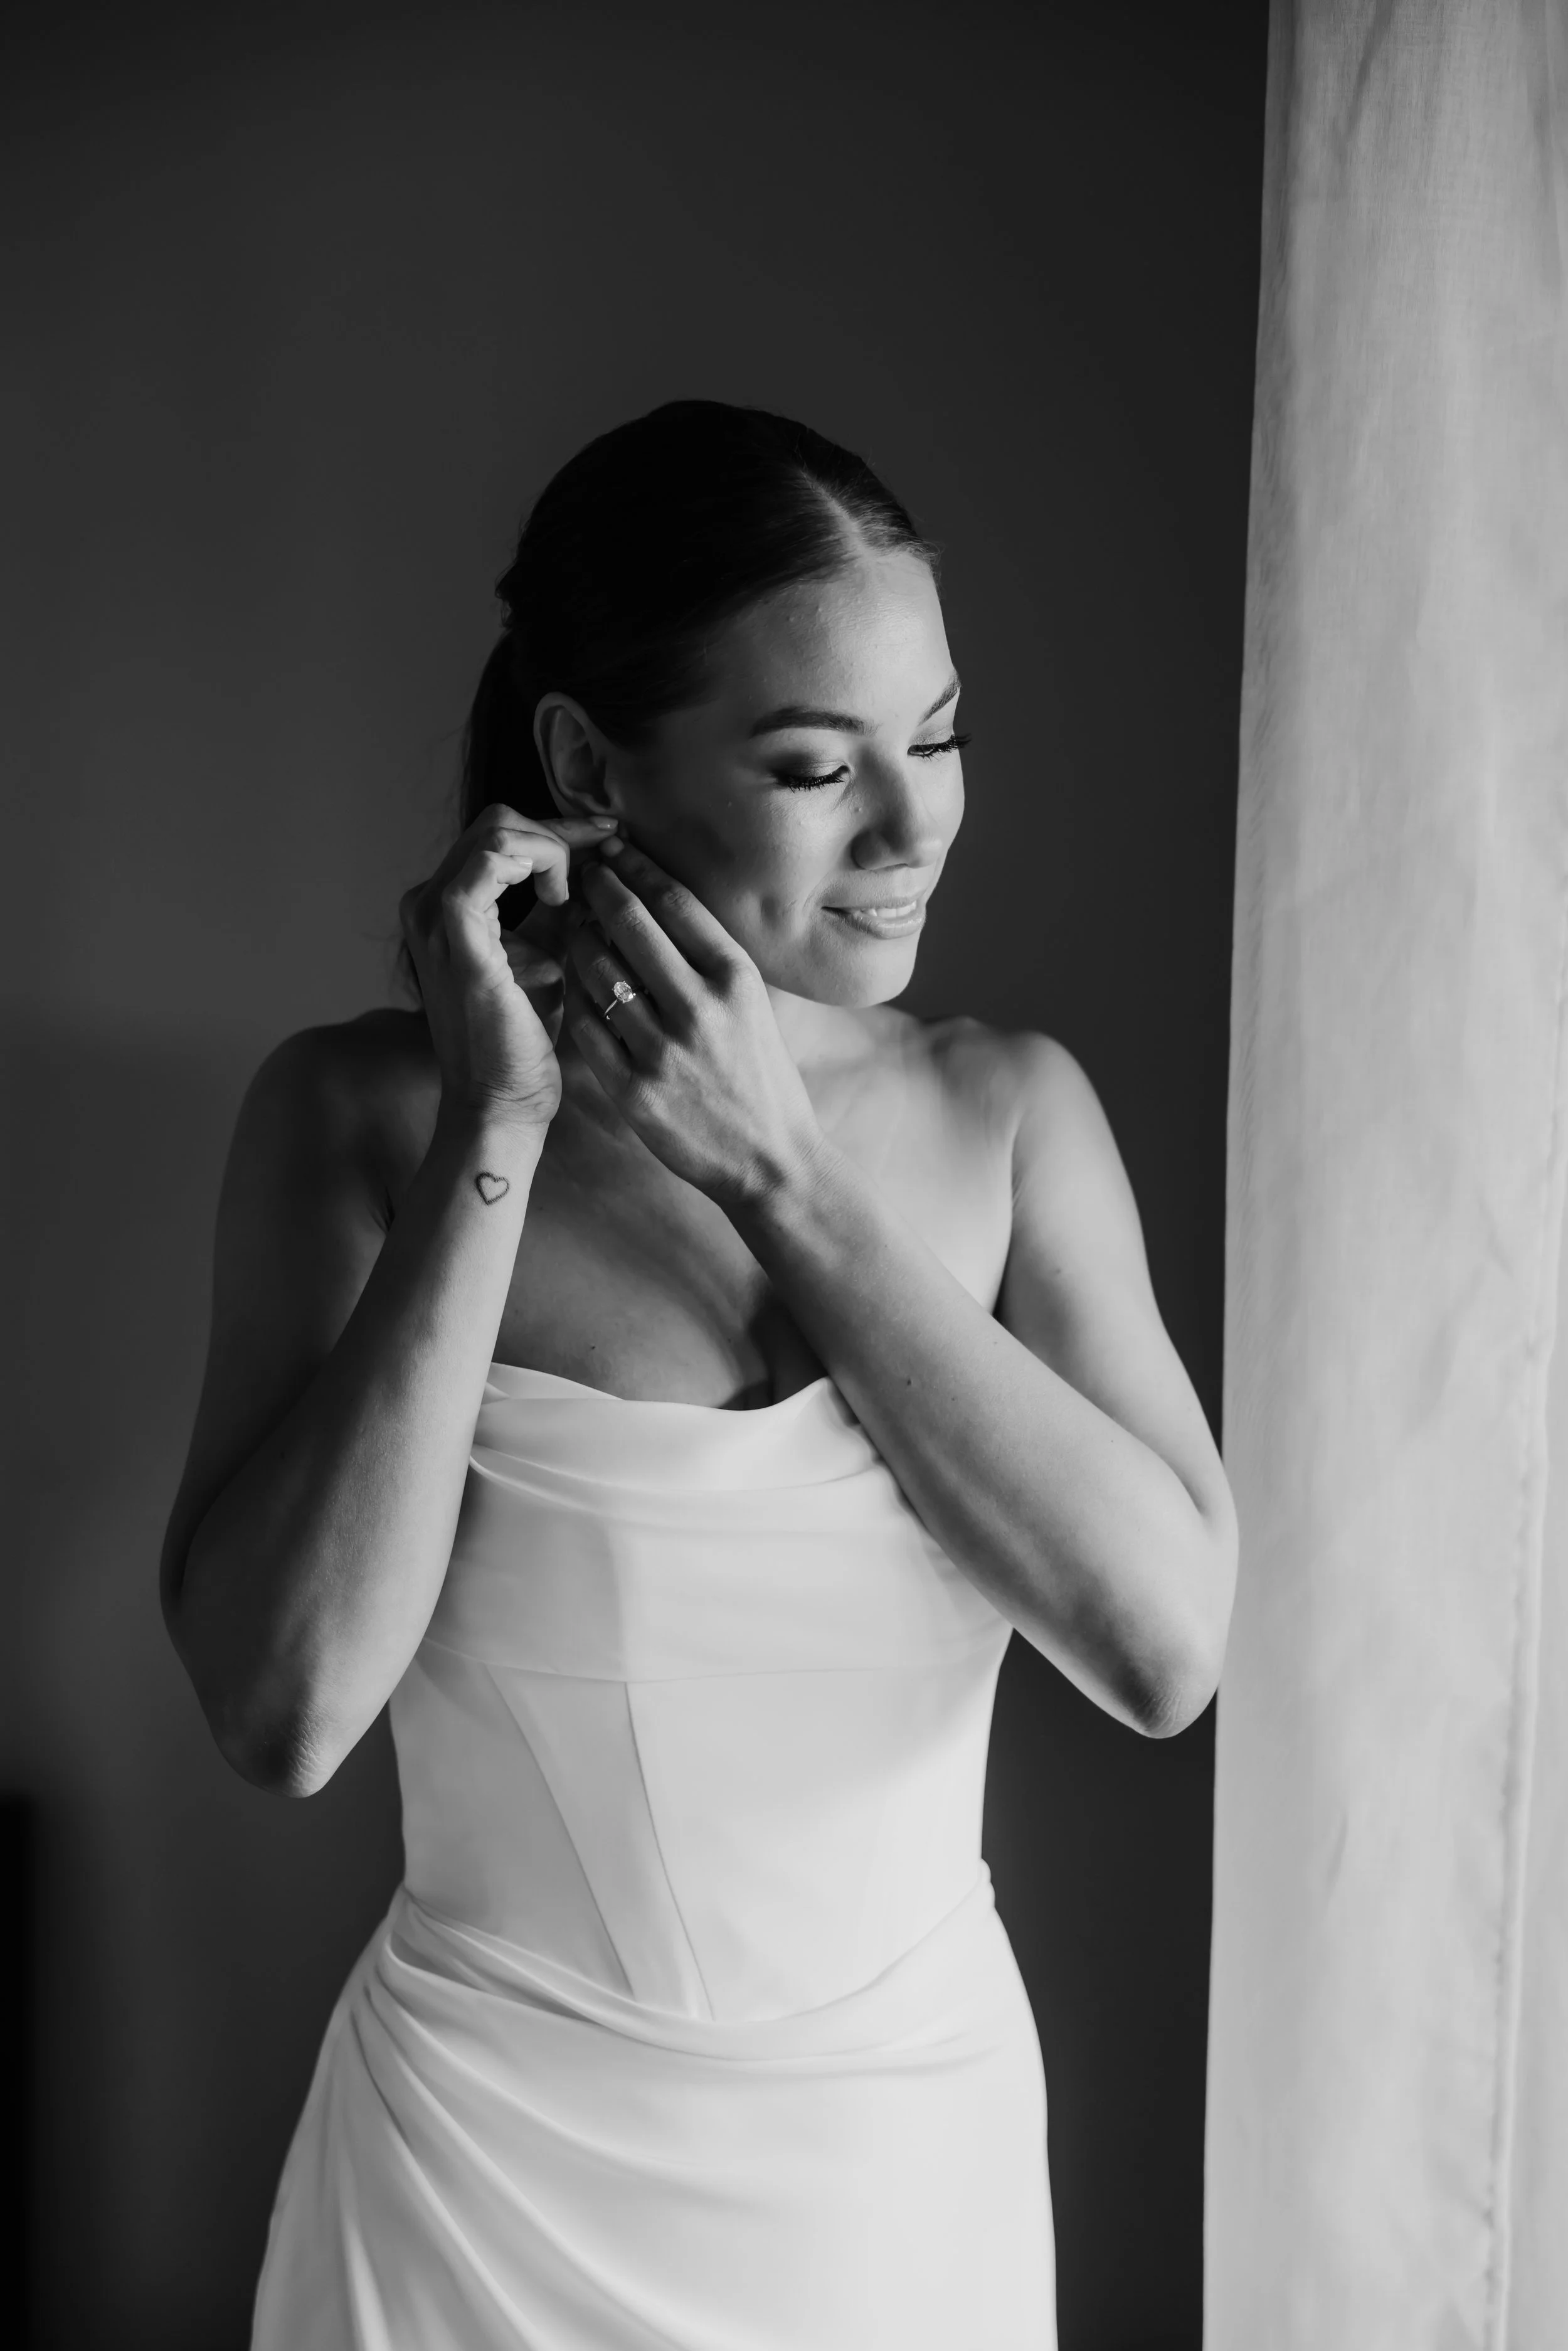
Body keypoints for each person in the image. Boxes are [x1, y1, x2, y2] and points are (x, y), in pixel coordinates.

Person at [159, 398, 1238, 2349]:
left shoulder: (1008, 1117)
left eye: (938, 739)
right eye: (819, 764)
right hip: (473, 2185)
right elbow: (288, 1704)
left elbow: (1163, 1649)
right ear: (585, 758)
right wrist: (496, 1118)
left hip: (896, 2186)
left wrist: (780, 1170)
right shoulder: (350, 1115)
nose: (915, 827)